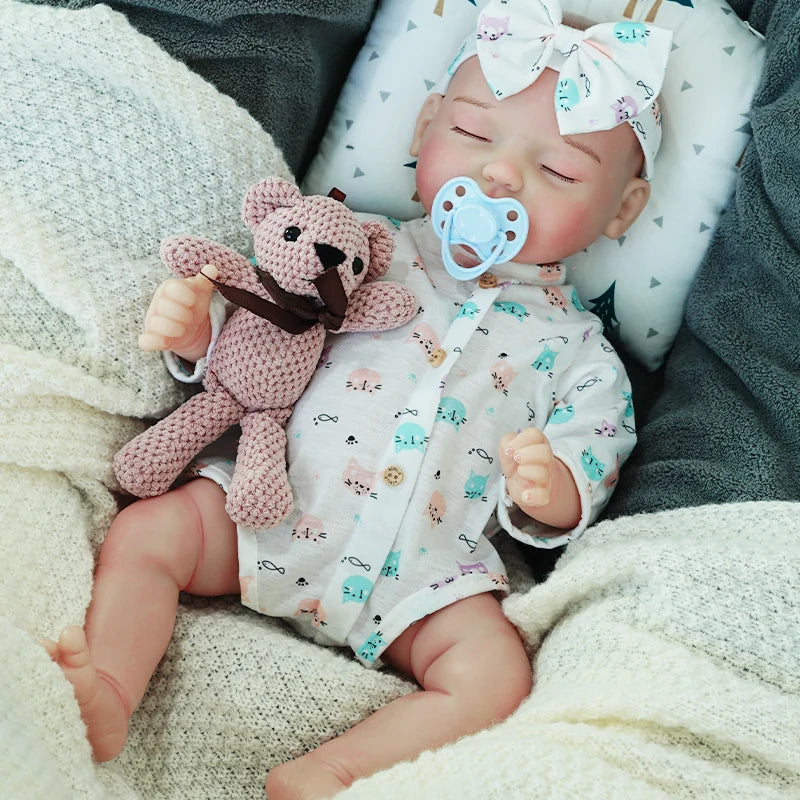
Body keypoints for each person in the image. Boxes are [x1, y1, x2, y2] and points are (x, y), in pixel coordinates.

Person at [42, 2, 670, 797]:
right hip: (267, 511)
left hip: (423, 580)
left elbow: (591, 463)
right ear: (423, 130)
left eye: (561, 171)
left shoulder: (584, 354)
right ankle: (110, 688)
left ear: (621, 209)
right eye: (474, 136)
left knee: (494, 677)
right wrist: (199, 331)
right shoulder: (353, 248)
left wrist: (550, 488)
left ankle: (333, 774)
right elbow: (264, 339)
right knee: (148, 532)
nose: (500, 176)